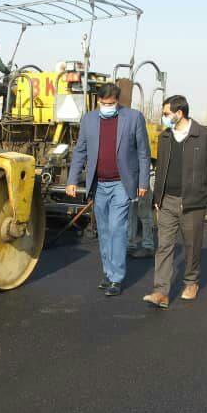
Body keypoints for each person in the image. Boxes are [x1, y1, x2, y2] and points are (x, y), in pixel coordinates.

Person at [66, 83, 151, 297]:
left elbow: (143, 153)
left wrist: (143, 183)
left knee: (117, 229)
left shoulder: (133, 118)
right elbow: (80, 151)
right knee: (103, 231)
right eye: (104, 103)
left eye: (111, 103)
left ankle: (117, 278)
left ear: (118, 101)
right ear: (98, 101)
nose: (107, 107)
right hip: (99, 184)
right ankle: (108, 273)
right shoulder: (89, 119)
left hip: (122, 184)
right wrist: (72, 180)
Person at [144, 95, 207, 309]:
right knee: (164, 246)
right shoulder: (165, 137)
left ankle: (191, 282)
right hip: (167, 201)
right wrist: (156, 198)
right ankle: (161, 291)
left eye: (166, 114)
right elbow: (160, 169)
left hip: (192, 202)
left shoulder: (204, 136)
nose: (164, 118)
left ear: (179, 113)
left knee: (191, 245)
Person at [127, 169, 155, 258]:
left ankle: (148, 246)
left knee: (145, 212)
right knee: (131, 211)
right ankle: (130, 244)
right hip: (131, 173)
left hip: (147, 173)